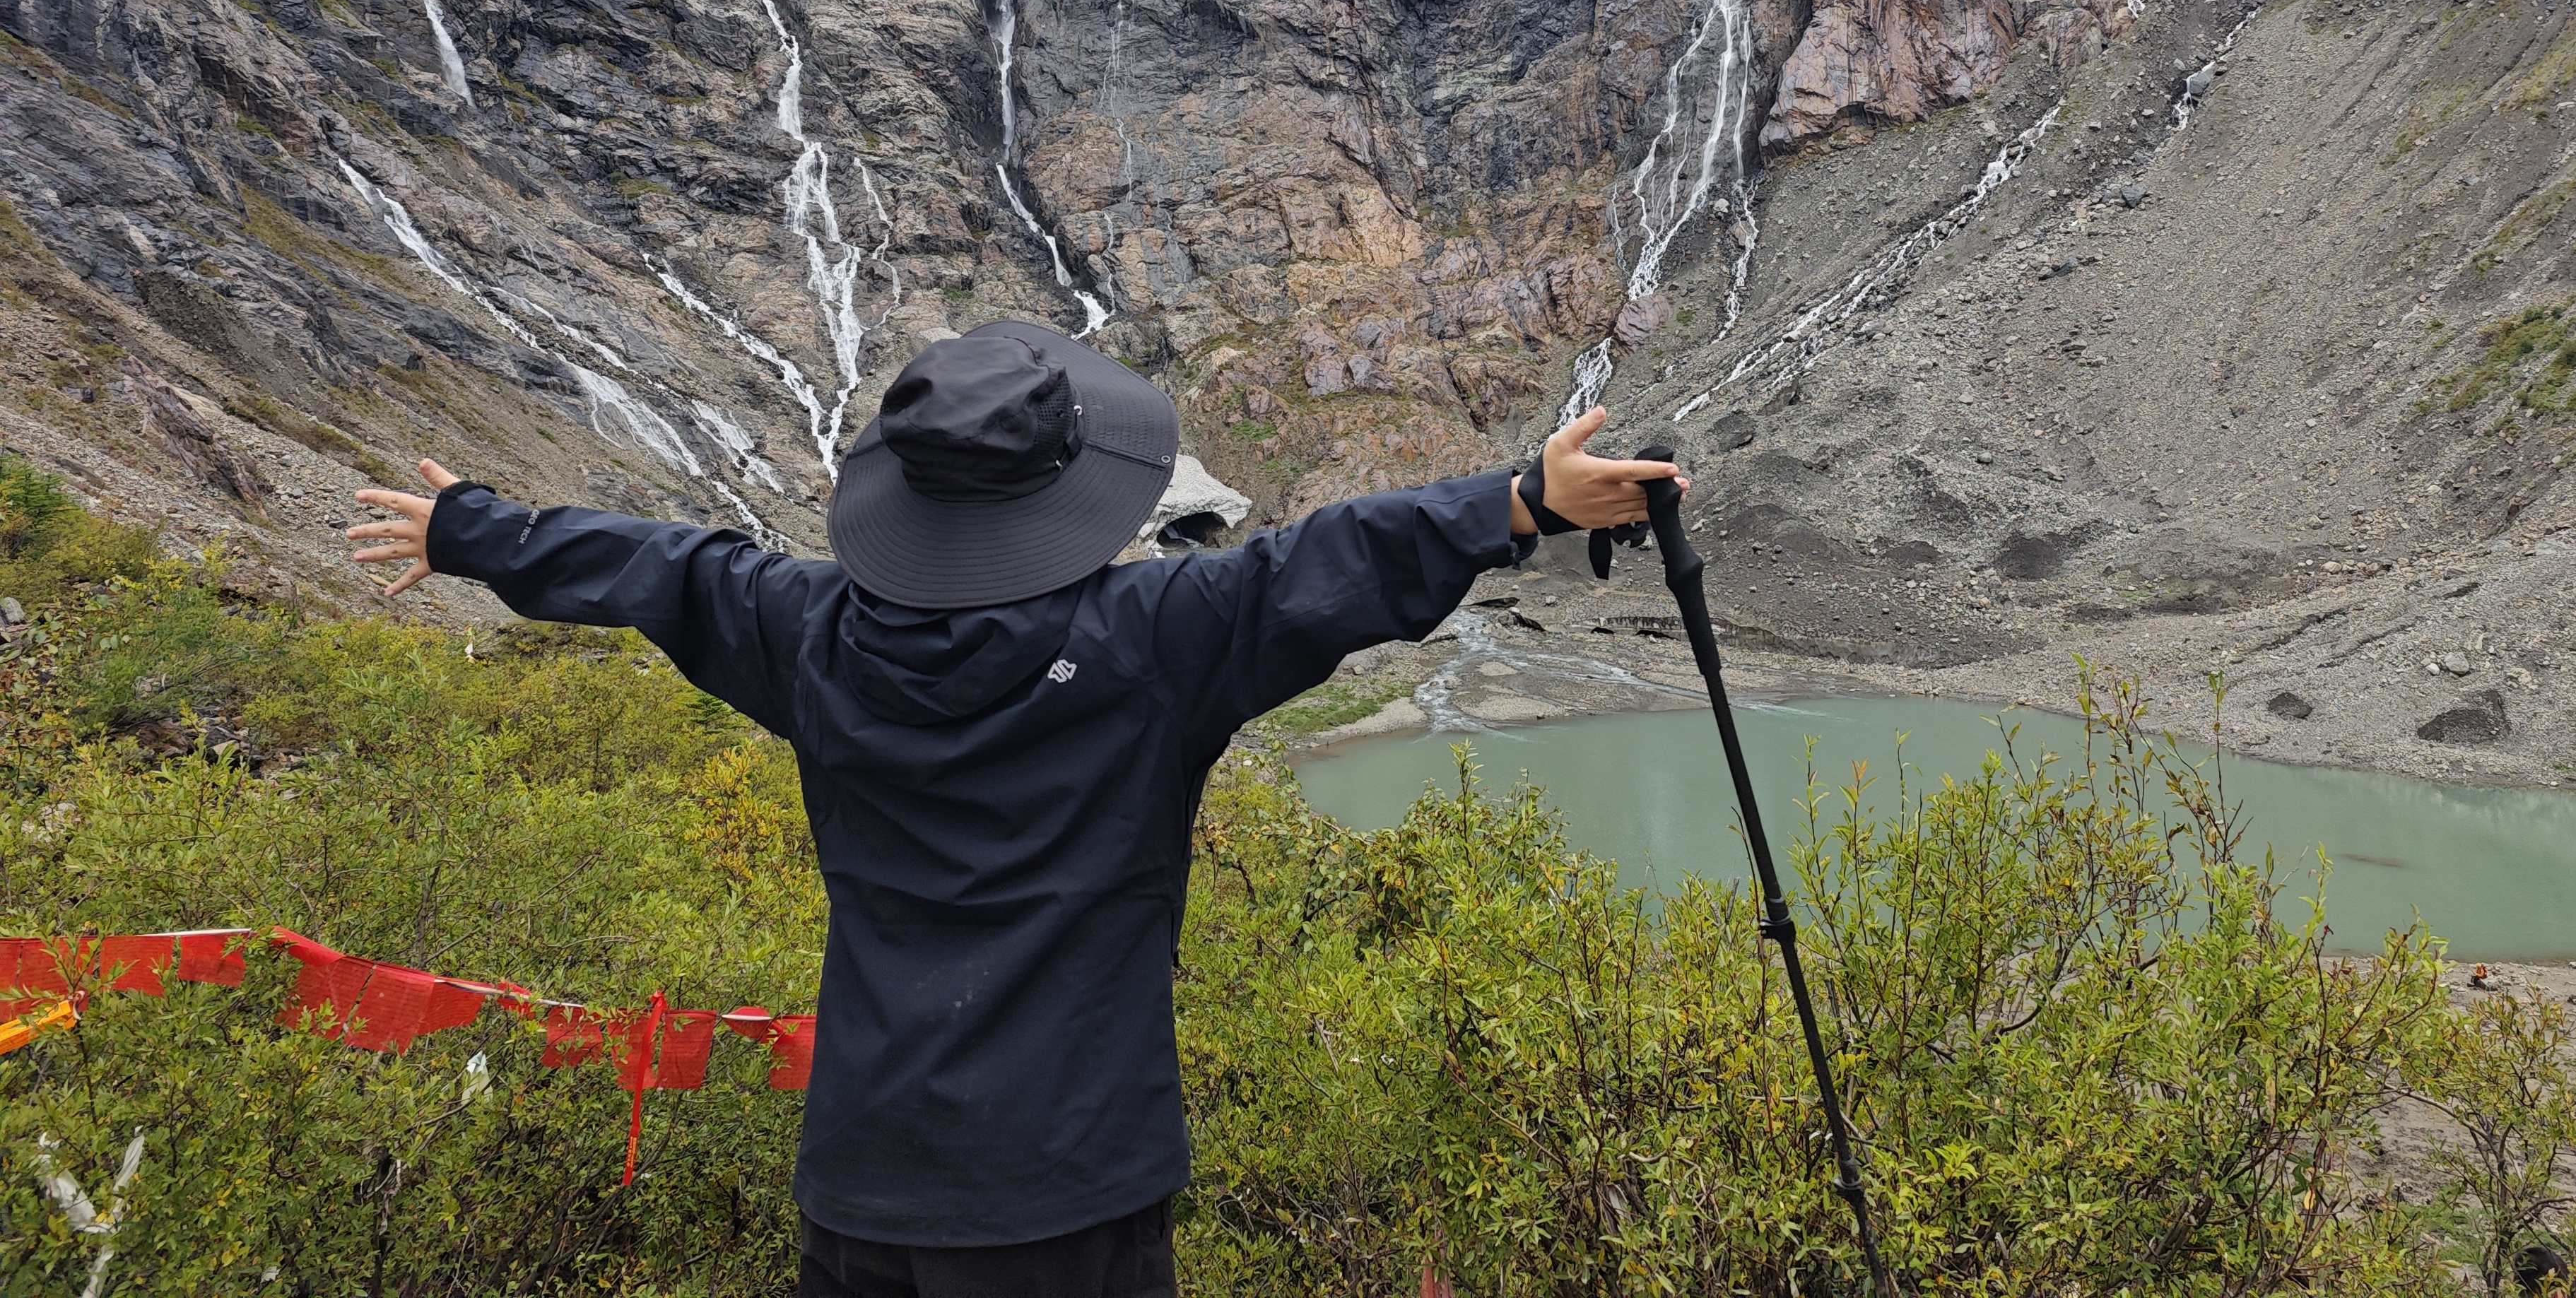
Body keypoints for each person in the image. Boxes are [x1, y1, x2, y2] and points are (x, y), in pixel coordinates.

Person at [348, 319, 1680, 1298]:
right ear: (1069, 491)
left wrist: (472, 531)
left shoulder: (806, 632)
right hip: (1064, 1189)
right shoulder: (1154, 638)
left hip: (861, 1178)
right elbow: (1320, 567)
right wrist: (1519, 503)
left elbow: (672, 569)